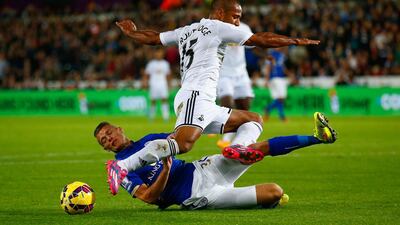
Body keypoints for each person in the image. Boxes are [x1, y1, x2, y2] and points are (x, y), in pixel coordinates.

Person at [108, 0, 320, 195]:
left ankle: (238, 147)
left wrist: (132, 33)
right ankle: (123, 166)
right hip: (195, 96)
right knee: (183, 144)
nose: (237, 22)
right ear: (219, 13)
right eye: (235, 16)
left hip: (204, 101)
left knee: (253, 120)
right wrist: (293, 40)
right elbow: (259, 39)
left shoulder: (187, 30)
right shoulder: (218, 27)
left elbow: (154, 38)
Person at [94, 112, 336, 209]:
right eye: (103, 141)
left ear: (119, 129)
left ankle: (318, 137)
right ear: (104, 148)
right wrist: (166, 170)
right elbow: (149, 198)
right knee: (274, 192)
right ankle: (267, 197)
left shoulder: (150, 139)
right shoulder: (121, 169)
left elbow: (182, 139)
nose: (108, 139)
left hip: (205, 168)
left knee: (254, 140)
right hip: (200, 195)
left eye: (109, 133)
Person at [216, 22, 255, 149]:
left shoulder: (244, 27)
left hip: (241, 73)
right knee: (227, 103)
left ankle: (241, 139)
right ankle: (226, 139)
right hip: (224, 73)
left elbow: (252, 44)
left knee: (245, 108)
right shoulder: (218, 28)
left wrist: (265, 56)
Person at [143, 48, 171, 121]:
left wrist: (169, 84)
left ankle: (166, 117)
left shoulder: (165, 63)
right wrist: (145, 83)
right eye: (157, 53)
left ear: (162, 54)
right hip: (153, 84)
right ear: (155, 54)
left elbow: (168, 75)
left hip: (163, 84)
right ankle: (151, 117)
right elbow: (146, 74)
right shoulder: (151, 64)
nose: (158, 54)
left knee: (164, 99)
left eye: (160, 53)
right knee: (153, 101)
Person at [263, 47, 290, 122]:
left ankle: (268, 108)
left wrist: (288, 74)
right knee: (281, 98)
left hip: (281, 78)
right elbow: (268, 67)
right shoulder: (271, 55)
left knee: (280, 99)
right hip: (275, 78)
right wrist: (267, 79)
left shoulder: (281, 55)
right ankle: (282, 116)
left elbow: (282, 67)